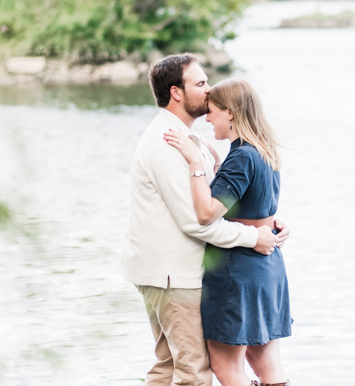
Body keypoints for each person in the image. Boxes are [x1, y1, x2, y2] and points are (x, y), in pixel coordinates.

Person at [120, 53, 289, 386]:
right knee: (193, 372)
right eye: (200, 83)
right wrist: (255, 236)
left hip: (176, 272)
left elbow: (224, 199)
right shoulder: (168, 144)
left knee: (171, 367)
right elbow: (198, 221)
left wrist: (263, 222)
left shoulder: (188, 139)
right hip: (171, 276)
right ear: (177, 93)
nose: (209, 90)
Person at [164, 78, 291, 386]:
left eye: (212, 111)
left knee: (226, 368)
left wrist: (195, 162)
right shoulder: (264, 150)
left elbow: (207, 213)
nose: (207, 119)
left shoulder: (242, 157)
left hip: (238, 271)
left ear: (231, 113)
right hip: (267, 267)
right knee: (268, 366)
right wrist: (216, 160)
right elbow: (253, 204)